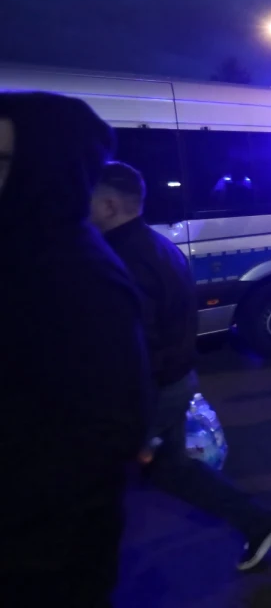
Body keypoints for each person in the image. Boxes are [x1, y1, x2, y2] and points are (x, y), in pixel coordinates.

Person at [90, 162, 271, 571]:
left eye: (86, 199)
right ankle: (258, 522)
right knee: (170, 469)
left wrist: (129, 411)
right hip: (175, 379)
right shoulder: (158, 246)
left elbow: (137, 343)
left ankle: (81, 565)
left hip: (152, 390)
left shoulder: (123, 259)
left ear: (109, 205)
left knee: (99, 469)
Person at [0, 92, 151, 607]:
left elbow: (107, 430)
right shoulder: (23, 251)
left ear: (44, 168)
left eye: (3, 160)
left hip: (41, 558)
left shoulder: (81, 274)